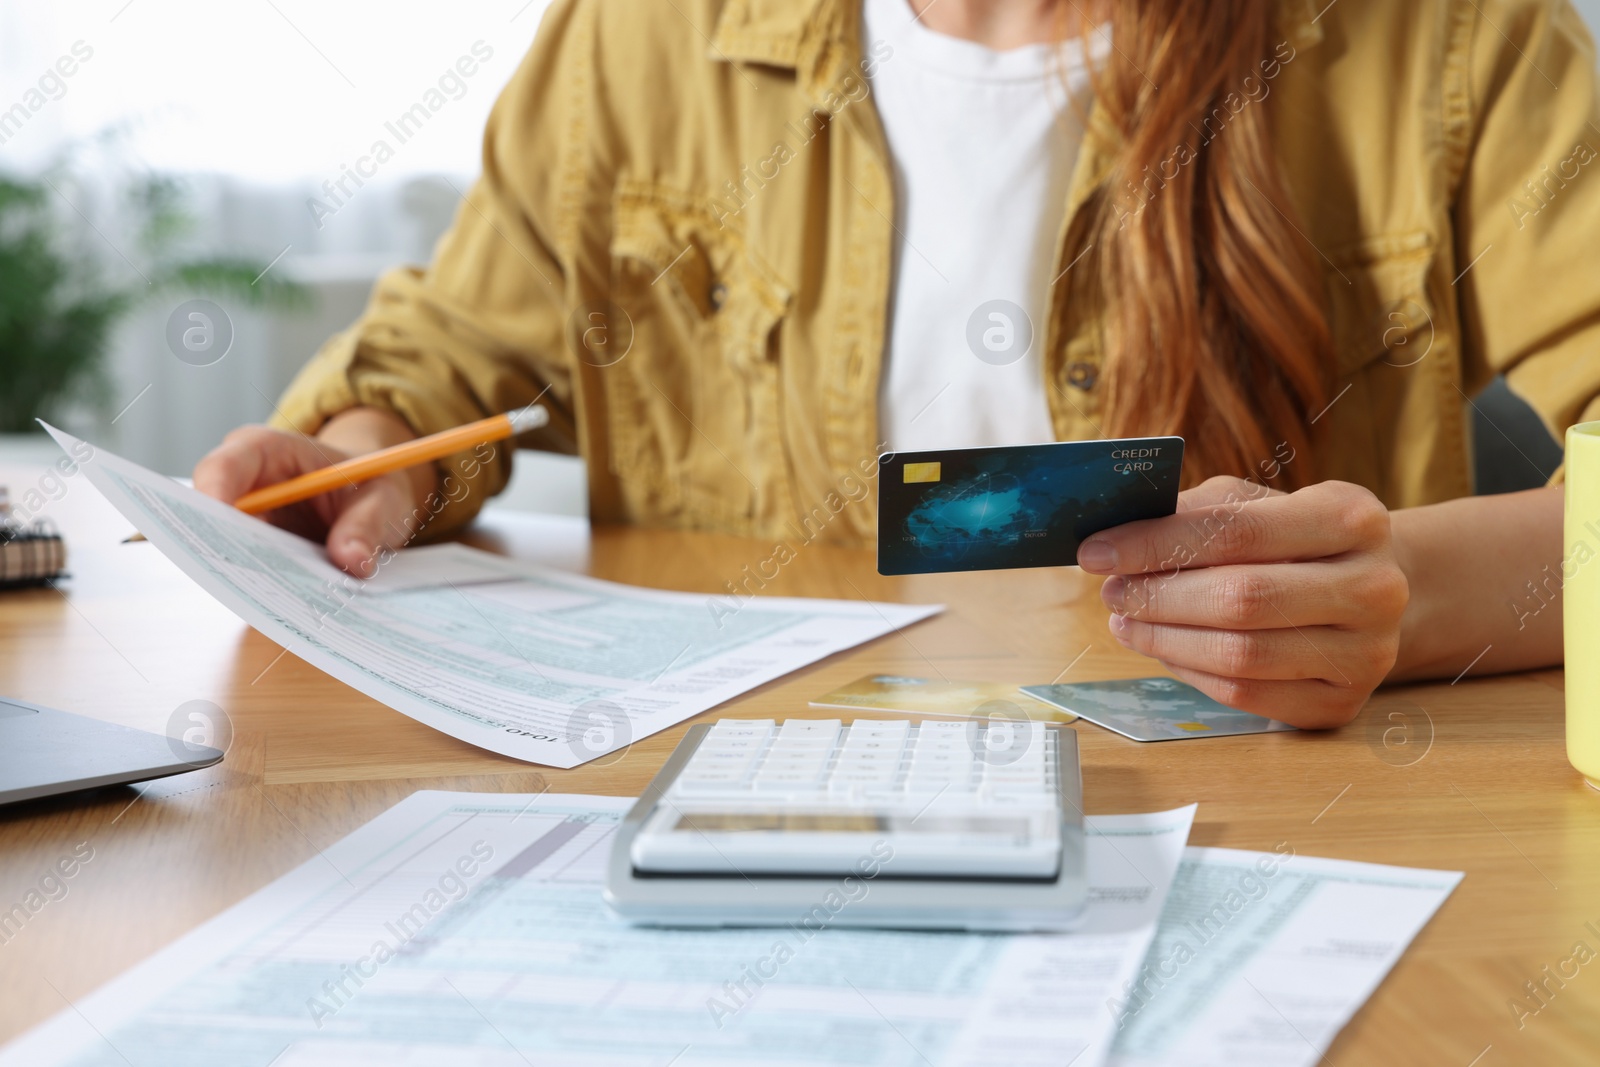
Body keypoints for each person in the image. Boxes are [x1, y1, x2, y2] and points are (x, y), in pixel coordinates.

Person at [194, 0, 1600, 728]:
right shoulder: (639, 36)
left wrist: (1400, 603)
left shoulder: (1452, 41)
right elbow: (455, 360)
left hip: (1281, 809)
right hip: (764, 789)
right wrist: (367, 451)